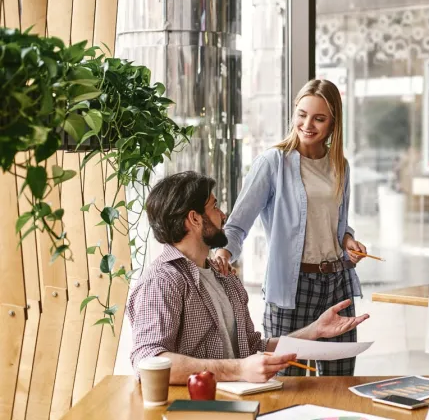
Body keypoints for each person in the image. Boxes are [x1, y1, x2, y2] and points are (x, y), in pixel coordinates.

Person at [127, 172, 369, 384]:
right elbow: (148, 361)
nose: (223, 215)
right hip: (194, 409)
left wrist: (314, 330)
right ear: (194, 218)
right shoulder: (163, 280)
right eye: (214, 206)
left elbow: (251, 348)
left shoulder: (223, 277)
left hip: (236, 402)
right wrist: (239, 370)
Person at [213, 79, 367, 376]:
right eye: (302, 114)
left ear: (334, 123)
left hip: (336, 284)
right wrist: (224, 254)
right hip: (291, 287)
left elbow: (338, 224)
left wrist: (348, 241)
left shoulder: (340, 166)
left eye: (319, 118)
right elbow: (237, 224)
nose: (307, 124)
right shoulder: (273, 163)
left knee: (339, 382)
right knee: (286, 383)